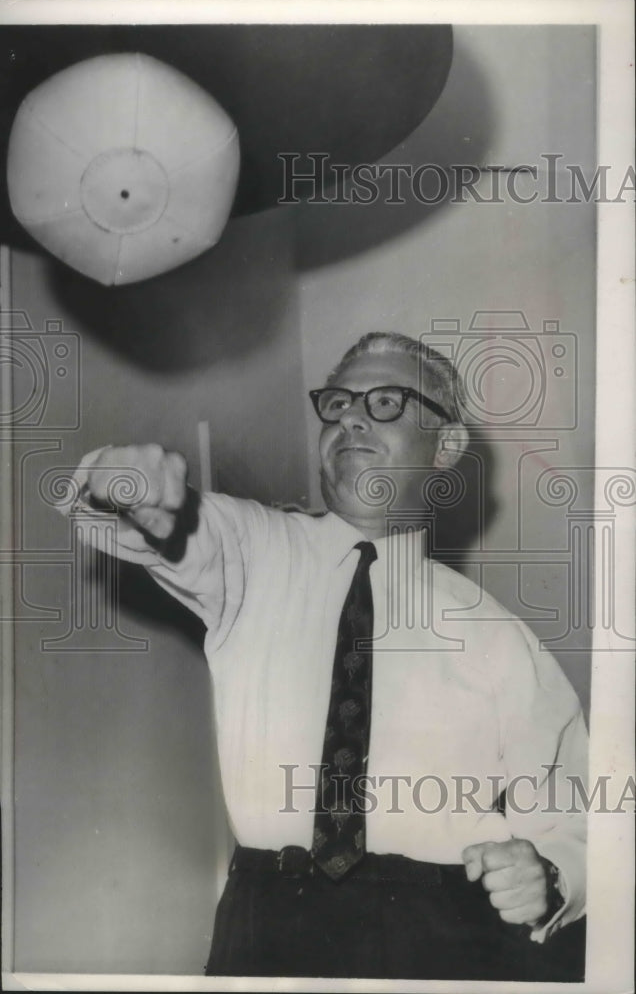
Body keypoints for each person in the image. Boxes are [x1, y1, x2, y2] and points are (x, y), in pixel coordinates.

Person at [59, 332, 587, 981]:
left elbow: (581, 813)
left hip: (438, 932)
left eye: (385, 401)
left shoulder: (499, 639)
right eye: (337, 404)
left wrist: (550, 873)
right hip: (267, 921)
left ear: (446, 445)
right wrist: (124, 479)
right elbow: (165, 521)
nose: (352, 417)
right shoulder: (255, 551)